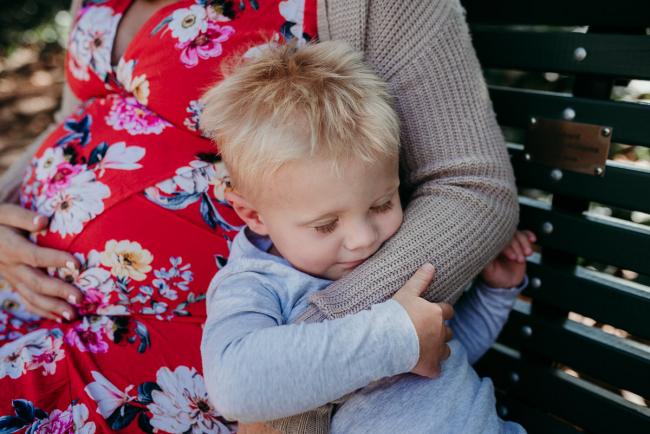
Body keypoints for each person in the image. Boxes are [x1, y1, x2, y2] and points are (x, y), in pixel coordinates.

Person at [0, 0, 518, 432]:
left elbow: (471, 188)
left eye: (382, 206)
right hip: (30, 301)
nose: (362, 237)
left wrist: (324, 339)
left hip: (146, 352)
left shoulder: (269, 293)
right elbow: (76, 120)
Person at [199, 41, 531, 434]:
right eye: (325, 225)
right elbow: (234, 385)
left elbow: (443, 354)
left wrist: (494, 295)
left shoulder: (394, 253)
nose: (363, 239)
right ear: (253, 215)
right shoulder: (255, 286)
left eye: (381, 204)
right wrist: (395, 338)